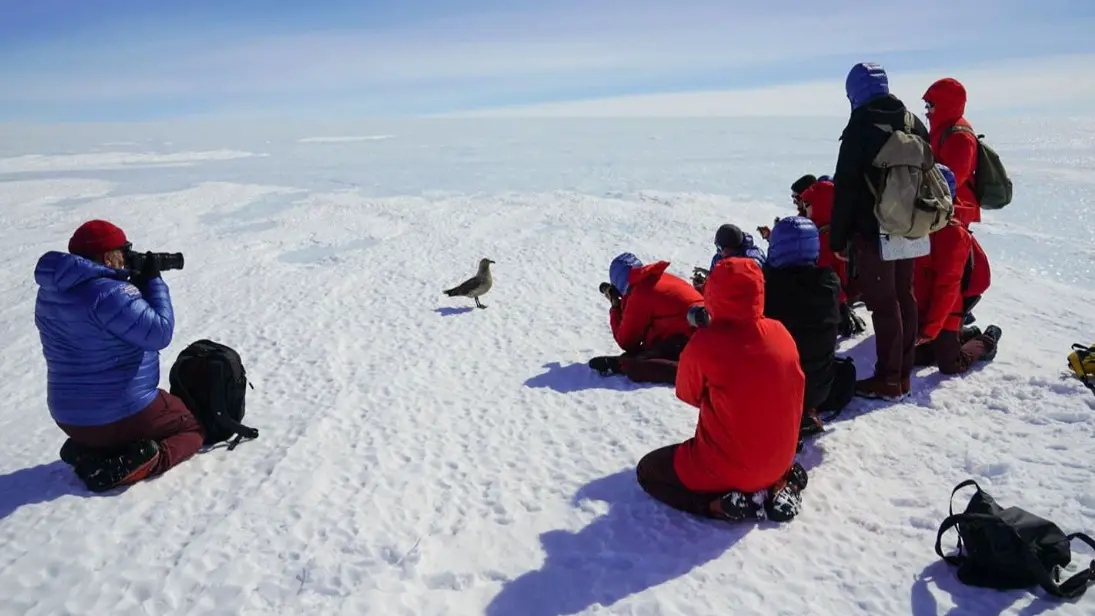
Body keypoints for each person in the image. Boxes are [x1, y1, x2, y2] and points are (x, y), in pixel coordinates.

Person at [34, 220, 204, 492]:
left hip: (68, 417)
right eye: (123, 251)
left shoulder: (50, 293)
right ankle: (144, 462)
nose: (126, 257)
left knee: (114, 421)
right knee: (193, 429)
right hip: (119, 414)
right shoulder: (110, 293)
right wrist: (153, 281)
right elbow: (160, 333)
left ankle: (91, 450)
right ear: (106, 257)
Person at [636, 257, 808, 522]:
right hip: (780, 460)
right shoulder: (781, 332)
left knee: (648, 471)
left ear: (713, 292)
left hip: (725, 467)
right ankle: (779, 484)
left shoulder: (706, 342)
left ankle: (717, 504)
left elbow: (687, 393)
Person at [831, 62, 928, 401]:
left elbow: (845, 186)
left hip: (873, 230)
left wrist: (838, 238)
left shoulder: (860, 126)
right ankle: (902, 375)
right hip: (912, 225)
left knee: (885, 303)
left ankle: (888, 379)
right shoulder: (912, 122)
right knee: (905, 295)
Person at [913, 166, 1003, 374]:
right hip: (926, 305)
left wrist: (931, 328)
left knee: (950, 365)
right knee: (910, 358)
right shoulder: (915, 223)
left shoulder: (953, 233)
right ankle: (961, 334)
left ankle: (986, 340)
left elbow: (948, 287)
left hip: (949, 307)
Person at [761, 216, 846, 436]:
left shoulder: (765, 286)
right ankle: (807, 409)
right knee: (844, 370)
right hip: (819, 388)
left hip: (774, 386)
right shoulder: (829, 282)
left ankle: (786, 412)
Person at [589, 252, 703, 384]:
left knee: (635, 364)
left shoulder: (639, 293)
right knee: (644, 351)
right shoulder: (661, 277)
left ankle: (695, 374)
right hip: (703, 331)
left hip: (688, 340)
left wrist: (615, 307)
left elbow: (626, 341)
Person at [923, 77, 981, 227]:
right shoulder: (942, 129)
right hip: (943, 207)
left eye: (931, 104)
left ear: (945, 104)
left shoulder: (958, 136)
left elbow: (953, 178)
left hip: (955, 208)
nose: (927, 110)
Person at [691, 224, 766, 291]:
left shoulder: (751, 260)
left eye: (719, 247)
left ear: (731, 249)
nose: (717, 250)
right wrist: (707, 280)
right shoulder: (718, 258)